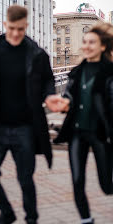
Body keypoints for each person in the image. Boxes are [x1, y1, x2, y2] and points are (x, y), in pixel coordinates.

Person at [0, 5, 65, 224]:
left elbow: (48, 80)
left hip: (25, 127)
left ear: (26, 26)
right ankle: (7, 212)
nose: (15, 34)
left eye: (20, 29)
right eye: (12, 28)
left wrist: (50, 95)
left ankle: (31, 219)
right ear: (5, 25)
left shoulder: (37, 53)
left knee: (25, 178)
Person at [54, 22, 113, 224]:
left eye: (92, 42)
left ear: (103, 46)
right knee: (77, 180)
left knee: (107, 185)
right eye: (85, 42)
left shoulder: (109, 73)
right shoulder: (77, 72)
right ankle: (86, 220)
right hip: (77, 132)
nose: (86, 46)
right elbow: (70, 95)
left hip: (100, 133)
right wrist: (64, 102)